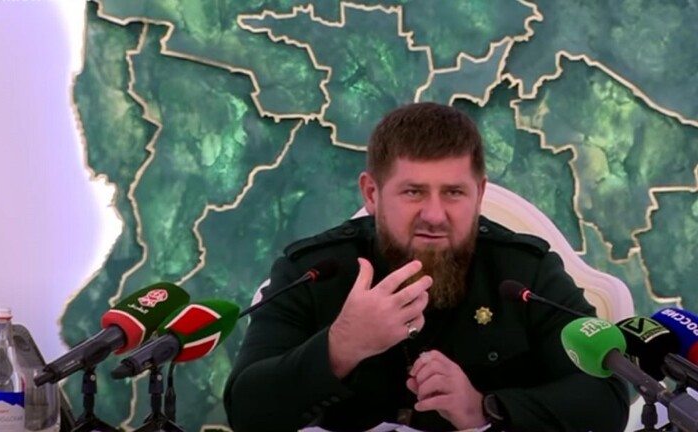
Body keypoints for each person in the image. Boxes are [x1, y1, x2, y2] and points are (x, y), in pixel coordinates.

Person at [223, 102, 630, 432]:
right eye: (413, 192)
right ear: (372, 193)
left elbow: (607, 399)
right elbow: (247, 410)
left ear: (479, 194)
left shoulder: (525, 273)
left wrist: (485, 407)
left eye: (453, 193)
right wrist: (342, 346)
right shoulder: (316, 270)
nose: (434, 215)